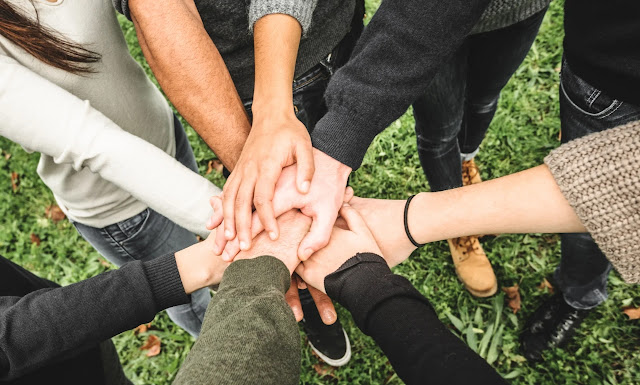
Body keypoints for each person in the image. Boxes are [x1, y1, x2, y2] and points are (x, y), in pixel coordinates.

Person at [212, 0, 640, 362]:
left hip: (527, 16)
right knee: (439, 131)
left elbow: (613, 188)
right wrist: (345, 150)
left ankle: (575, 292)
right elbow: (611, 183)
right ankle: (454, 193)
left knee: (483, 104)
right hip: (592, 65)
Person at [119, 0, 364, 365]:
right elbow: (157, 8)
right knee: (283, 222)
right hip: (242, 71)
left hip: (343, 31)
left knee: (328, 186)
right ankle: (312, 301)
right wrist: (260, 177)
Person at [0, 0, 221, 336]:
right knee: (192, 296)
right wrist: (250, 222)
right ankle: (220, 336)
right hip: (124, 208)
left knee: (214, 255)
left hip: (163, 132)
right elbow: (93, 142)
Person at [412, 1, 549, 298]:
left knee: (483, 100)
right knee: (440, 131)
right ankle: (456, 223)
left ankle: (465, 163)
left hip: (520, 9)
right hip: (428, 16)